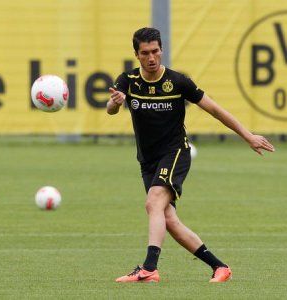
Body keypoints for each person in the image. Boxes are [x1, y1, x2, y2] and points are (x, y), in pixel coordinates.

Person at [107, 27, 275, 283]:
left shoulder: (177, 82)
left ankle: (149, 269)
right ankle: (220, 267)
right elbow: (110, 108)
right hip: (148, 160)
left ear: (161, 50)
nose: (151, 58)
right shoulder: (128, 81)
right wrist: (115, 103)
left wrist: (247, 135)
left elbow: (216, 110)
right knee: (168, 219)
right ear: (137, 55)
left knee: (153, 202)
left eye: (155, 51)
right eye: (145, 53)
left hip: (175, 152)